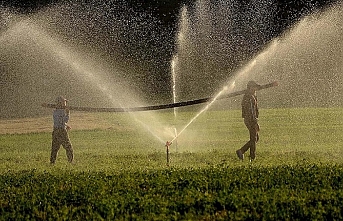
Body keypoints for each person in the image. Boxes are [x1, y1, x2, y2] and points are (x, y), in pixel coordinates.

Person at [236, 81, 260, 162]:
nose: (255, 89)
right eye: (254, 87)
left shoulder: (249, 96)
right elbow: (251, 111)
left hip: (249, 119)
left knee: (255, 138)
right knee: (253, 139)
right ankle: (252, 157)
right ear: (250, 88)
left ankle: (241, 151)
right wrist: (255, 122)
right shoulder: (250, 98)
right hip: (250, 120)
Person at [50, 96, 74, 164]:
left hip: (55, 131)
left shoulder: (55, 112)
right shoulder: (62, 112)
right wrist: (68, 113)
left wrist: (66, 125)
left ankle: (52, 162)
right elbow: (65, 120)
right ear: (61, 103)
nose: (65, 103)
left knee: (54, 148)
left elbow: (59, 122)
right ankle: (71, 161)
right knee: (68, 147)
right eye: (64, 102)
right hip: (61, 131)